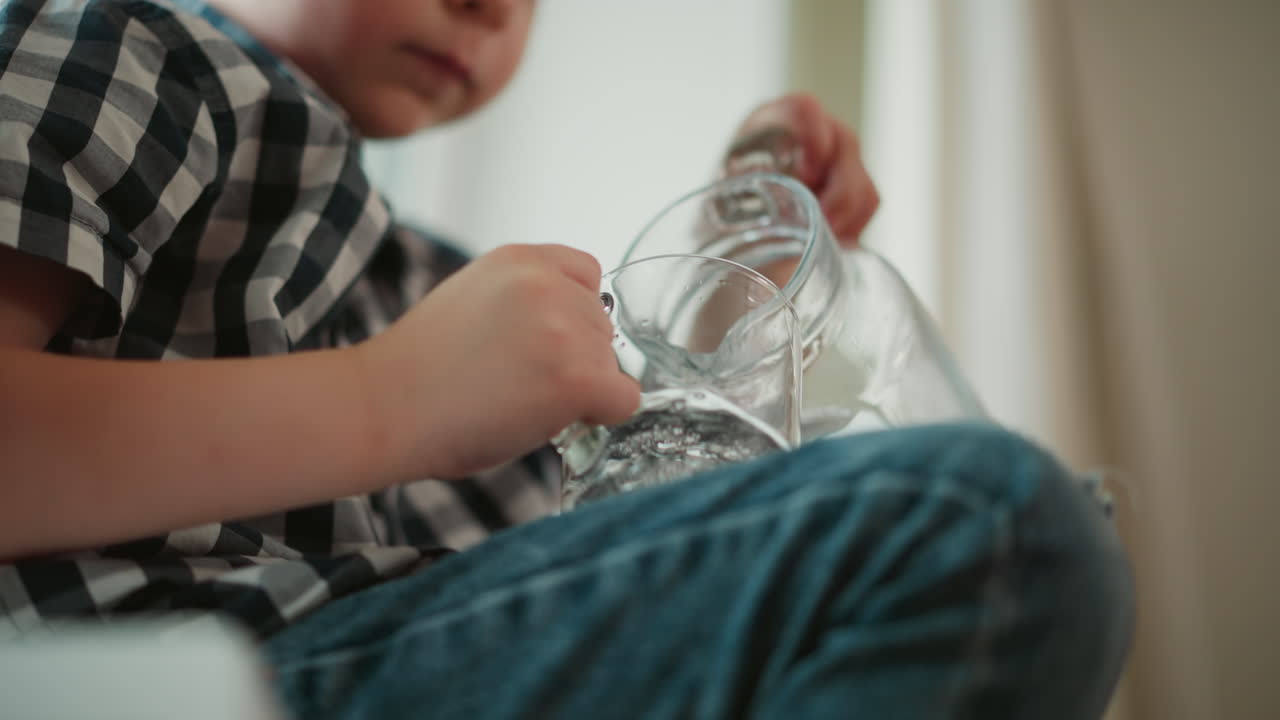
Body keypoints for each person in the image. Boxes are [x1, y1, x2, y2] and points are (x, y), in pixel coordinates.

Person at [0, 0, 1133, 718]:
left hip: (380, 648)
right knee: (978, 523)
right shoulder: (126, 50)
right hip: (186, 668)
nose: (490, 8)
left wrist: (722, 286)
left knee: (1013, 536)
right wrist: (388, 398)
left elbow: (587, 537)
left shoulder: (420, 275)